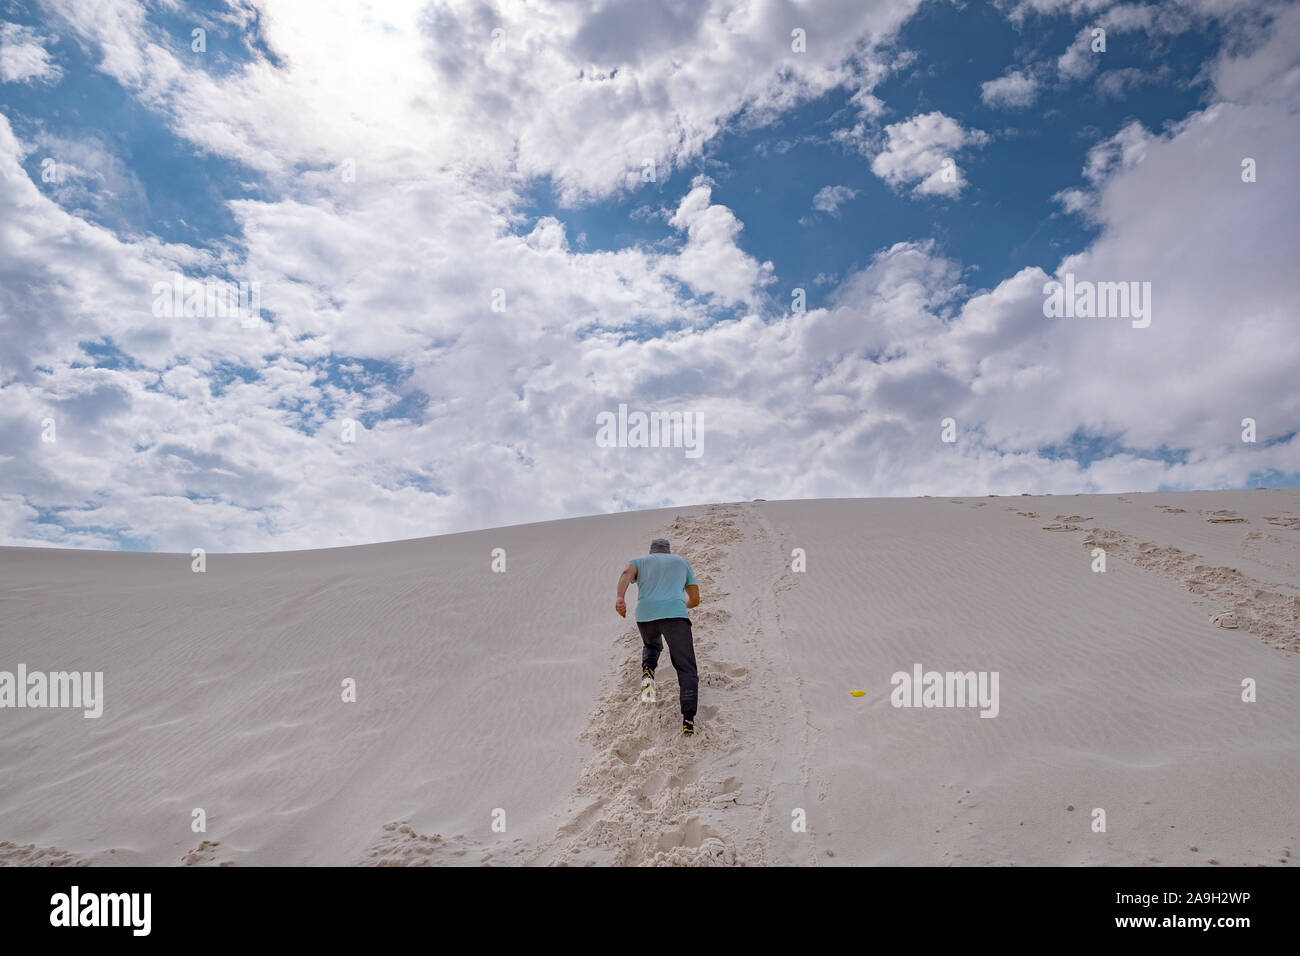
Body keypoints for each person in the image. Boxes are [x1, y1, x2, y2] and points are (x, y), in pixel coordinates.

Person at [615, 538, 701, 735]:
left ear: (652, 552)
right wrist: (681, 604)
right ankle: (688, 719)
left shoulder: (639, 561)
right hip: (675, 615)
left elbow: (626, 574)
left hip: (646, 615)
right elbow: (695, 599)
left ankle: (648, 688)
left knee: (652, 646)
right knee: (686, 667)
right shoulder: (681, 563)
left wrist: (620, 597)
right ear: (668, 552)